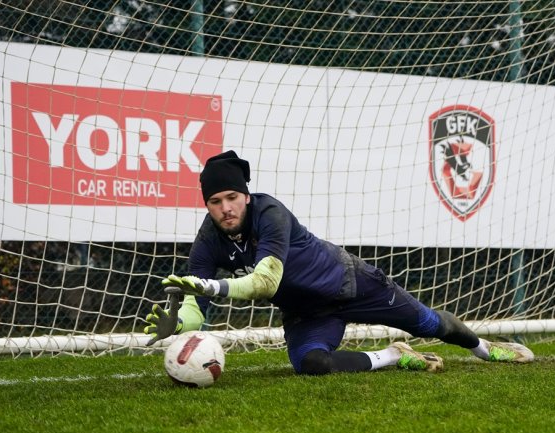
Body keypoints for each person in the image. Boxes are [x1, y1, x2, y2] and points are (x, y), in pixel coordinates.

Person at [144, 150, 534, 375]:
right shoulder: (208, 238)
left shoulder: (271, 213)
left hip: (351, 283)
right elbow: (196, 301)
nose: (225, 208)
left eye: (232, 197)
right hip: (307, 312)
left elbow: (264, 282)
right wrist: (180, 322)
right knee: (310, 365)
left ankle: (484, 347)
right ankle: (394, 356)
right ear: (207, 204)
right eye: (215, 201)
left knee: (430, 323)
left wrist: (215, 287)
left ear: (245, 196)